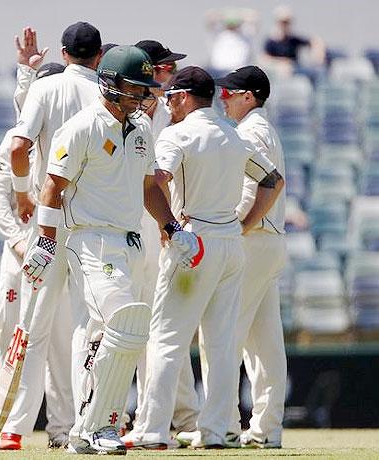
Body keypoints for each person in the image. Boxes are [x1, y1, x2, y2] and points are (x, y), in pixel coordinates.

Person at [25, 45, 201, 454]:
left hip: (129, 243)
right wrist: (47, 242)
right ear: (108, 82)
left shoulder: (139, 131)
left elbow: (147, 189)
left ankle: (84, 430)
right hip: (90, 241)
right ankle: (100, 425)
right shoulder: (81, 127)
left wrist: (171, 227)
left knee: (97, 334)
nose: (142, 96)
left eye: (145, 88)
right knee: (126, 324)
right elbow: (52, 188)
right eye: (134, 87)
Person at [133, 66, 284, 449]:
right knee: (219, 342)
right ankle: (218, 431)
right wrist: (243, 224)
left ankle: (152, 431)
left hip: (193, 245)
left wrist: (169, 226)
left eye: (170, 98)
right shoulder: (234, 136)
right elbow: (273, 181)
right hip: (230, 245)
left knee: (167, 339)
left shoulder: (177, 134)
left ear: (183, 96)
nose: (168, 104)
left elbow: (155, 180)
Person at [2, 21, 104, 450]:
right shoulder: (107, 94)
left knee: (33, 325)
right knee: (87, 326)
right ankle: (87, 422)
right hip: (92, 228)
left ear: (63, 54)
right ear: (99, 56)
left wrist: (23, 194)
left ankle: (15, 428)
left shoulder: (46, 89)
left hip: (47, 223)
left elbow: (17, 148)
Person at [0, 26, 69, 450]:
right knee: (16, 339)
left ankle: (62, 428)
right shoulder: (18, 140)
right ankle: (10, 426)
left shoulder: (71, 139)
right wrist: (20, 244)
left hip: (61, 249)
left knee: (61, 342)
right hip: (22, 255)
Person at [123, 40, 199, 449]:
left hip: (160, 228)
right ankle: (146, 415)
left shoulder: (164, 118)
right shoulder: (134, 114)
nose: (170, 76)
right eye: (166, 68)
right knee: (148, 327)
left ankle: (178, 415)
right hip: (141, 228)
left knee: (166, 327)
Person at [216, 65, 287, 449]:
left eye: (229, 93)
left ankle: (222, 424)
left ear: (248, 95)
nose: (222, 98)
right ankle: (266, 429)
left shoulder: (251, 132)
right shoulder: (263, 128)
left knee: (224, 335)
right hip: (268, 243)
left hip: (253, 240)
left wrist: (238, 227)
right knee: (264, 343)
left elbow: (261, 186)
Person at [263, 5, 325, 75]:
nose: (285, 25)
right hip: (279, 72)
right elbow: (265, 59)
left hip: (296, 69)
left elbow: (315, 41)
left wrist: (317, 52)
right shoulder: (271, 41)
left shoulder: (293, 40)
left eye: (288, 22)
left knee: (316, 72)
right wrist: (281, 62)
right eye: (283, 22)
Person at [206, 8, 259, 76]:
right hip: (217, 70)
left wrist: (240, 17)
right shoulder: (219, 32)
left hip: (238, 71)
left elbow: (254, 18)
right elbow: (210, 18)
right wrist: (223, 16)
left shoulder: (245, 33)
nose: (232, 26)